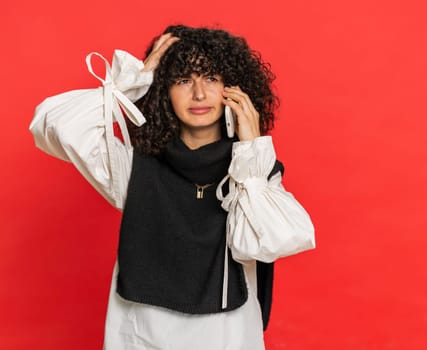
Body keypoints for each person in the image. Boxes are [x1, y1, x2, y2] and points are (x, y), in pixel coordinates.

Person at [30, 24, 315, 350]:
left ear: (234, 88)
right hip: (143, 335)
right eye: (182, 80)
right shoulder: (132, 166)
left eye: (210, 78)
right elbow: (54, 126)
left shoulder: (255, 172)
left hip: (227, 336)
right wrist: (131, 83)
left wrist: (251, 151)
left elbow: (276, 241)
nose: (198, 93)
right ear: (163, 90)